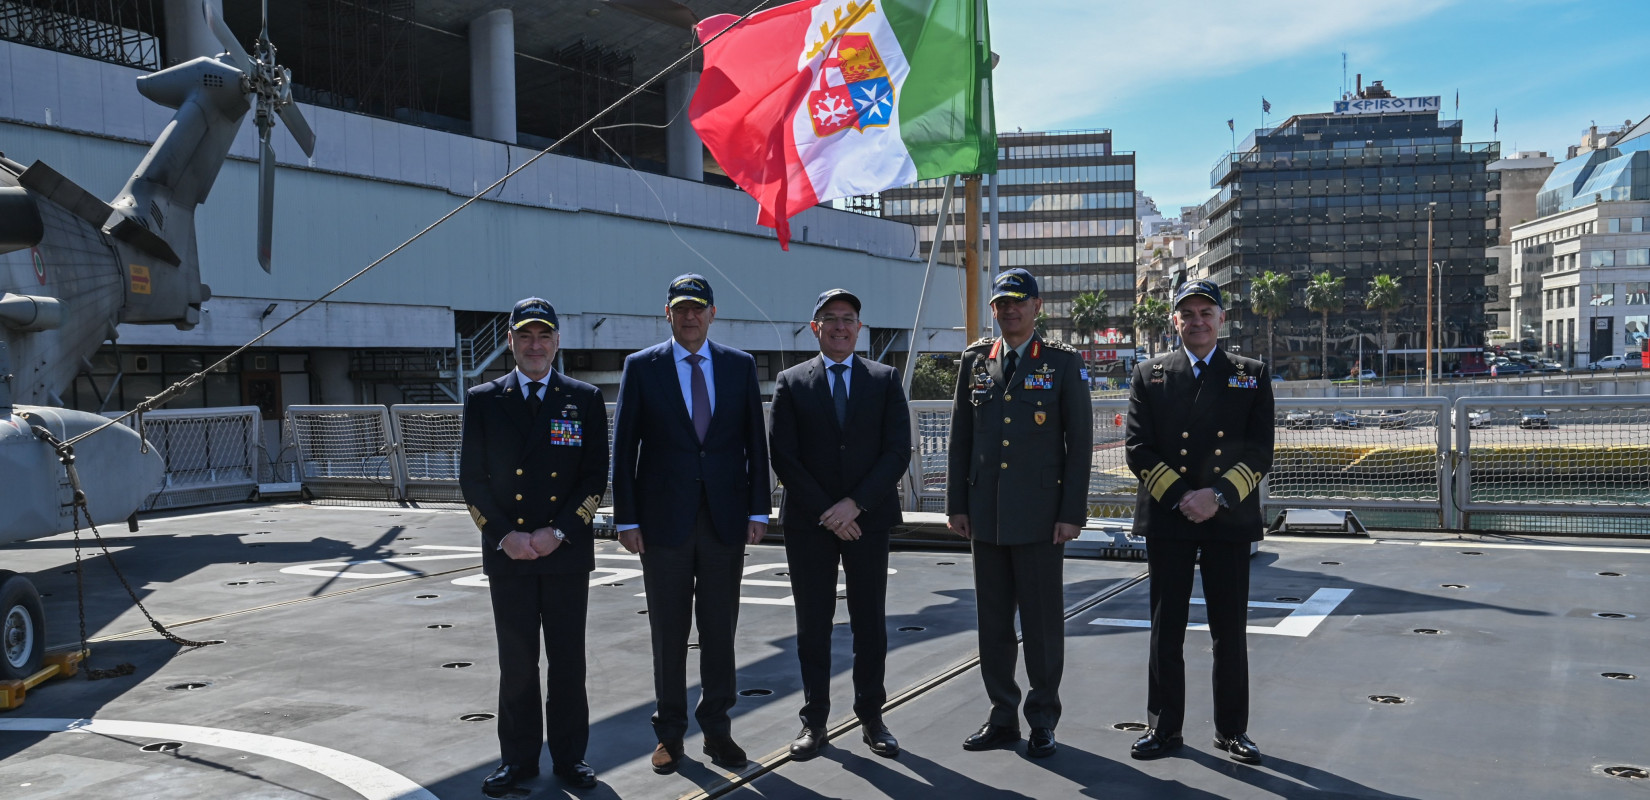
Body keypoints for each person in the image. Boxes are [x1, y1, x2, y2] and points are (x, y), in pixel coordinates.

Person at [611, 273, 771, 774]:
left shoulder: (739, 366)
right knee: (669, 632)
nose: (690, 317)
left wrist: (758, 510)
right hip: (662, 524)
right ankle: (670, 733)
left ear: (712, 313)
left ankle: (718, 731)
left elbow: (754, 443)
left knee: (720, 630)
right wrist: (626, 519)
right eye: (681, 309)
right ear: (668, 314)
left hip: (725, 520)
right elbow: (624, 448)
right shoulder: (642, 368)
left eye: (698, 308)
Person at [459, 297, 608, 793]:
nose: (535, 345)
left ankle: (570, 759)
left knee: (568, 662)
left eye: (544, 336)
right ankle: (518, 760)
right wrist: (505, 535)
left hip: (563, 554)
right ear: (511, 342)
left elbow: (593, 478)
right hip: (511, 554)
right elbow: (472, 480)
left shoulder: (583, 398)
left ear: (557, 342)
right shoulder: (484, 399)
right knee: (517, 664)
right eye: (526, 336)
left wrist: (558, 532)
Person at [1124, 279, 1274, 765]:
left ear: (1222, 319)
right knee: (1165, 628)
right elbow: (1137, 448)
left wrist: (1218, 496)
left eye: (1206, 312)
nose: (1197, 321)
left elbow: (1259, 451)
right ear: (1174, 322)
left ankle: (1232, 729)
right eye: (1187, 313)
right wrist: (1184, 497)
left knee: (1228, 630)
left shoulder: (1251, 375)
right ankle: (1163, 727)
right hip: (1171, 516)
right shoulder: (1150, 375)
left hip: (1226, 518)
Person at [946, 268, 1093, 759]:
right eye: (1001, 303)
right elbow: (961, 440)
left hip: (1040, 518)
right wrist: (956, 506)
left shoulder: (1061, 364)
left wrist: (1071, 513)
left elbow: (1080, 446)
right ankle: (1002, 715)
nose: (1009, 310)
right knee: (992, 624)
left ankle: (1043, 717)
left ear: (1037, 307)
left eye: (1018, 302)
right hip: (985, 516)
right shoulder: (975, 362)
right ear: (994, 310)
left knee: (1042, 625)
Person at [768, 288, 912, 760]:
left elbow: (897, 451)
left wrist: (855, 505)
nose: (839, 326)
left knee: (870, 622)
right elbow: (783, 456)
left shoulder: (885, 379)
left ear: (859, 327)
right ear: (815, 327)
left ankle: (872, 716)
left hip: (866, 520)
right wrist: (829, 512)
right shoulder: (791, 382)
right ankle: (815, 721)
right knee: (813, 624)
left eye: (848, 318)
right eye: (829, 318)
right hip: (811, 524)